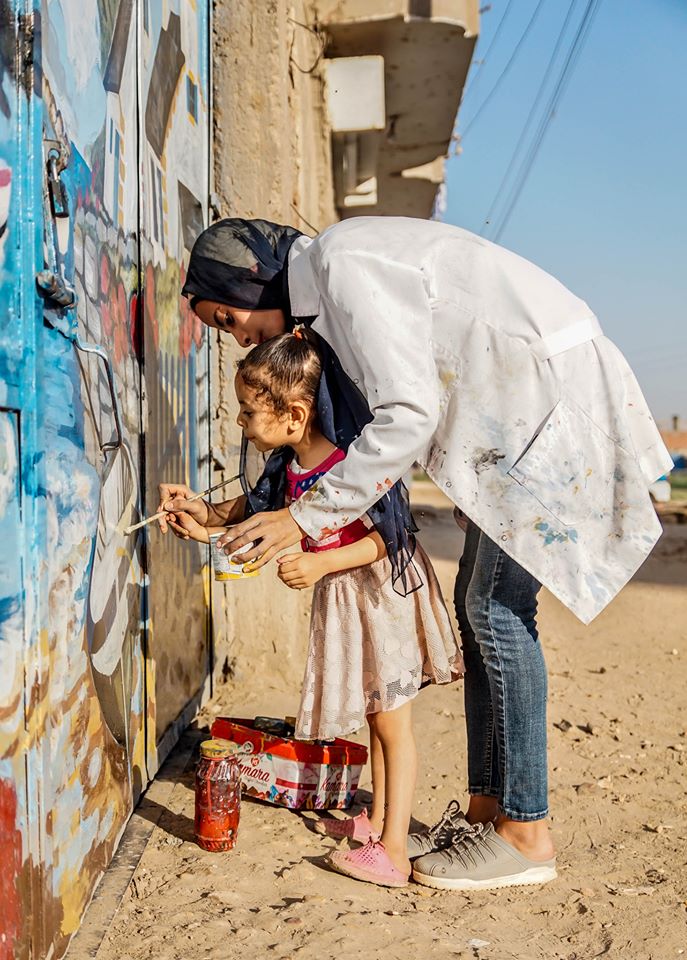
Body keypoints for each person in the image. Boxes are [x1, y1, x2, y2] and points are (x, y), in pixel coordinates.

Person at [159, 216, 671, 891]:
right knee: (481, 604)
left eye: (228, 316)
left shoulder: (341, 267)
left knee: (495, 607)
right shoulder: (326, 293)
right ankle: (488, 812)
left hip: (540, 398)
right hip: (515, 405)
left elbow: (405, 411)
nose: (239, 337)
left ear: (254, 277)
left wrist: (306, 518)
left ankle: (525, 831)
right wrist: (239, 512)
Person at [167, 330, 462, 887]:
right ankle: (376, 824)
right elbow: (252, 510)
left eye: (249, 412)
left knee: (393, 725)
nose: (240, 424)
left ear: (295, 414)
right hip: (353, 599)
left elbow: (390, 538)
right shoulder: (290, 464)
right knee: (378, 715)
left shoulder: (355, 462)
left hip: (383, 595)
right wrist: (202, 515)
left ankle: (395, 852)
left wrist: (323, 563)